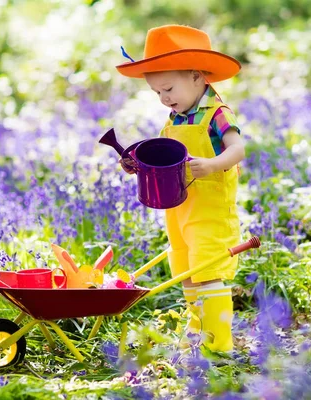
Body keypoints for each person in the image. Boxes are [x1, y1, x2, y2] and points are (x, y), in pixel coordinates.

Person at [115, 24, 245, 353]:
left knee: (207, 271)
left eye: (169, 89)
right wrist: (138, 166)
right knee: (186, 271)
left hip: (211, 210)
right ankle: (196, 335)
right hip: (179, 209)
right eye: (157, 93)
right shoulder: (174, 119)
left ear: (197, 76)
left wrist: (214, 164)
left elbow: (238, 149)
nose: (164, 98)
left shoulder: (217, 114)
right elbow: (163, 162)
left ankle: (219, 345)